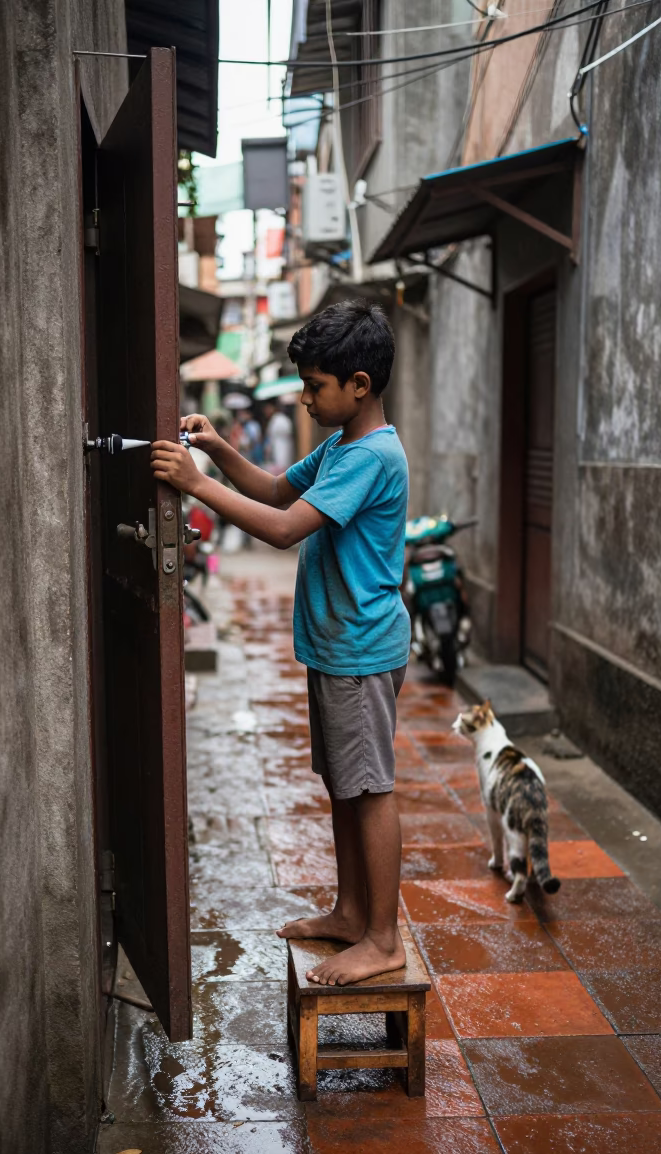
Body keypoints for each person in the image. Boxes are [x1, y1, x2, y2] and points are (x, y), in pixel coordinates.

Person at [152, 302, 410, 986]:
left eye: (315, 386)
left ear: (359, 384)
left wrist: (196, 485)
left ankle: (382, 939)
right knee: (344, 785)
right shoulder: (342, 446)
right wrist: (216, 450)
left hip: (360, 649)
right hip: (339, 647)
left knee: (370, 789)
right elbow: (272, 489)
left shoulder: (370, 456)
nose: (304, 398)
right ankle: (351, 914)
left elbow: (284, 527)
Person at [264, 402, 296, 474]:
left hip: (281, 444)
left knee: (282, 463)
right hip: (279, 444)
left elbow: (271, 433)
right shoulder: (278, 419)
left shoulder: (277, 419)